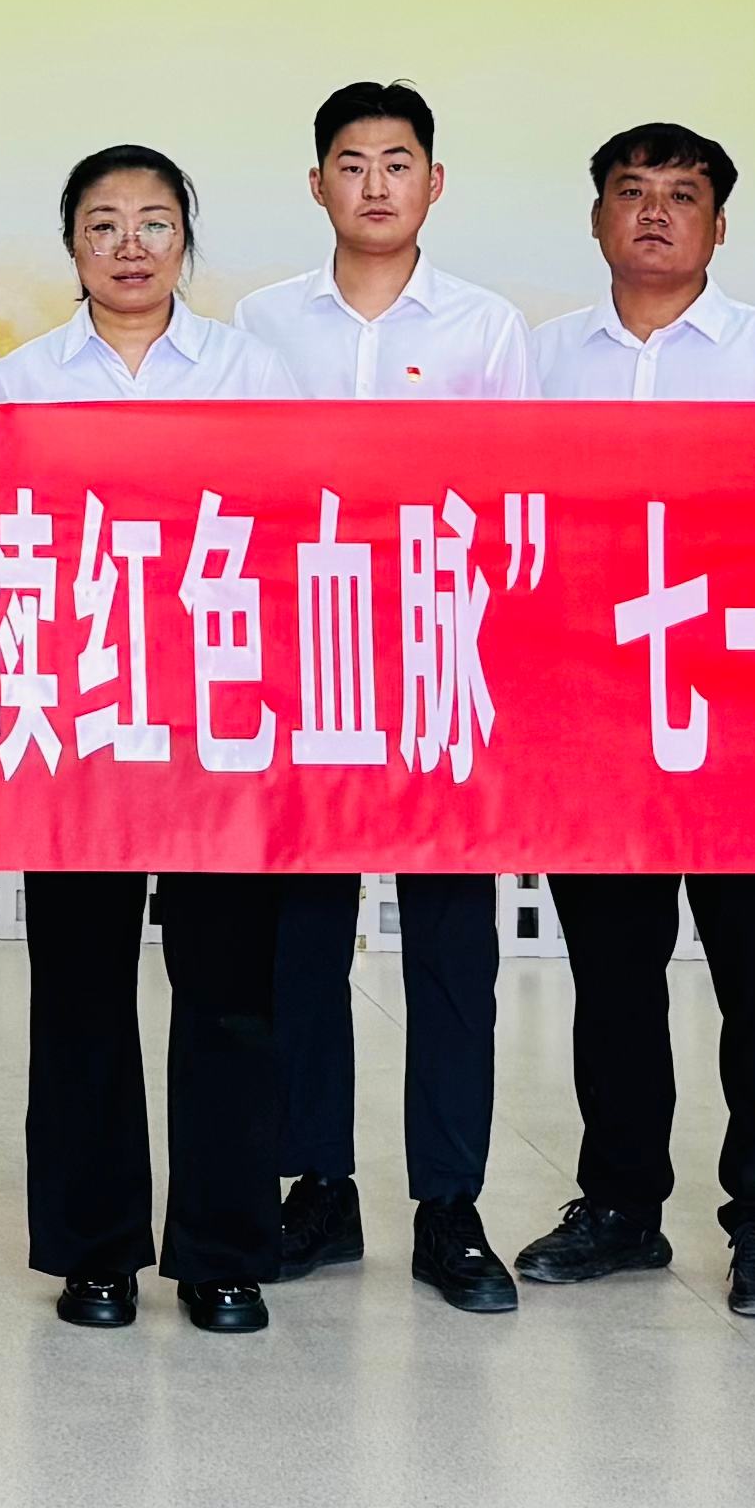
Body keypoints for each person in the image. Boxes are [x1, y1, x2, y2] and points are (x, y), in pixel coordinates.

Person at [509, 122, 755, 1321]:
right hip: (595, 722)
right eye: (631, 191)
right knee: (613, 978)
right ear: (596, 216)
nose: (654, 212)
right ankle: (620, 1206)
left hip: (745, 723)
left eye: (682, 195)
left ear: (719, 225)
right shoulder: (540, 360)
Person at [230, 78, 532, 1314]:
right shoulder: (260, 324)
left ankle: (449, 1206)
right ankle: (319, 1186)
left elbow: (515, 504)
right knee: (301, 946)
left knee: (453, 951)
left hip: (442, 665)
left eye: (397, 163)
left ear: (434, 184)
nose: (374, 184)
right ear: (316, 185)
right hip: (305, 671)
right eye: (350, 164)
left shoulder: (486, 328)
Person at [0, 143, 284, 1336]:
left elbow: (281, 537)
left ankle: (223, 1253)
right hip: (78, 723)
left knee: (229, 997)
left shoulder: (250, 372)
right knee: (82, 994)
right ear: (72, 247)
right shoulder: (21, 377)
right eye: (102, 225)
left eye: (154, 223)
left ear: (185, 243)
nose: (128, 246)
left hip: (218, 724)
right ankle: (95, 1251)